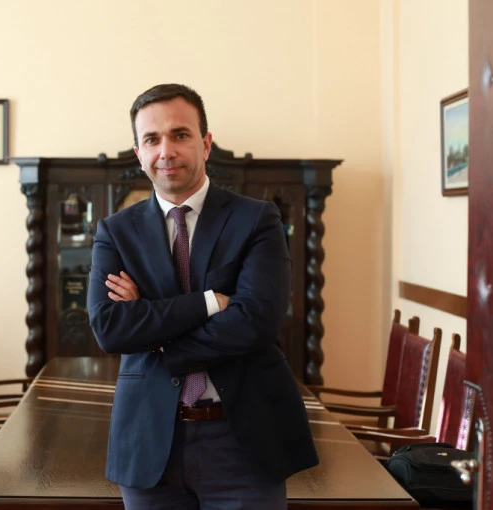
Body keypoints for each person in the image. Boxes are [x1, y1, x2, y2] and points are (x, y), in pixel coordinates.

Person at [87, 83, 318, 509]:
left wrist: (155, 333)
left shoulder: (256, 219)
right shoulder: (116, 232)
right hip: (147, 441)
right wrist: (211, 303)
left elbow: (255, 324)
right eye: (151, 139)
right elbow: (110, 329)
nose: (166, 151)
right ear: (138, 153)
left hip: (243, 440)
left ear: (206, 143)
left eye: (180, 135)